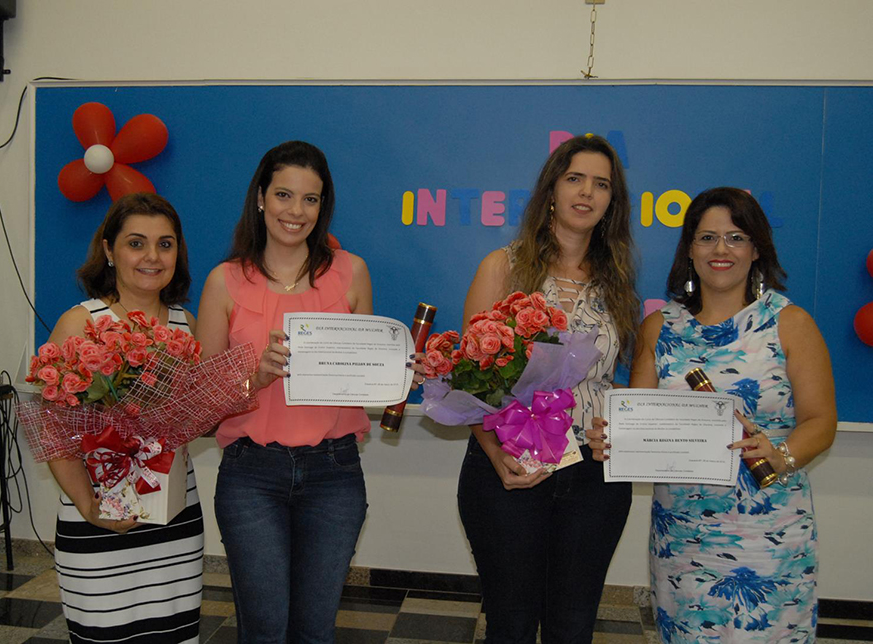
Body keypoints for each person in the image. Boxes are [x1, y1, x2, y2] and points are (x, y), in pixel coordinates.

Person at [589, 187, 836, 642]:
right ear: (690, 249)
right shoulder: (660, 327)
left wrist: (781, 454)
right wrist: (614, 438)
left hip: (770, 531)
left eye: (736, 237)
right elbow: (642, 420)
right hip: (683, 538)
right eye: (707, 238)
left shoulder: (789, 323)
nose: (720, 250)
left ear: (756, 247)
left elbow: (821, 422)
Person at [197, 140, 410, 643]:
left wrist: (398, 373)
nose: (296, 211)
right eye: (284, 196)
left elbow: (362, 374)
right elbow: (202, 404)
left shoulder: (350, 272)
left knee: (315, 631)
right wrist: (256, 380)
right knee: (265, 630)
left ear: (323, 206)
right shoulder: (223, 282)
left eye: (310, 200)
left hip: (333, 473)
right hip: (251, 475)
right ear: (260, 199)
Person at [455, 134, 640, 643]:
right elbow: (468, 381)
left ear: (611, 202)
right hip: (511, 470)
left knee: (573, 626)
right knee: (511, 625)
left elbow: (608, 379)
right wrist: (496, 458)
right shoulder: (504, 267)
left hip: (595, 477)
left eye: (601, 184)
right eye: (574, 178)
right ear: (552, 189)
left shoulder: (617, 283)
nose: (587, 193)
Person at [47, 192, 204, 644]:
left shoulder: (186, 326)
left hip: (174, 521)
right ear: (109, 250)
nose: (152, 257)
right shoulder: (81, 324)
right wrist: (89, 507)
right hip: (96, 521)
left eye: (166, 244)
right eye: (136, 243)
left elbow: (197, 421)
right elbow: (54, 433)